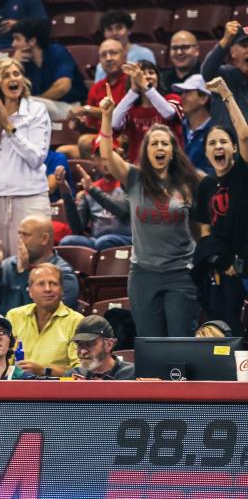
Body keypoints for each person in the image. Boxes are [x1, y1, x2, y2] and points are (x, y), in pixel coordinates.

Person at [99, 81, 201, 338]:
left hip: (180, 271)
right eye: (154, 144)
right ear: (146, 150)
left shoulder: (190, 181)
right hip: (143, 273)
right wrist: (107, 115)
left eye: (164, 144)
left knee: (180, 341)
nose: (159, 148)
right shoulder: (135, 178)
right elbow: (108, 156)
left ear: (173, 151)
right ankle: (154, 381)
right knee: (150, 341)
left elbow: (204, 226)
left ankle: (179, 381)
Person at [0, 57, 51, 275]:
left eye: (17, 74)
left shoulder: (37, 111)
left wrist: (10, 130)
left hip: (30, 198)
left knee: (31, 266)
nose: (13, 79)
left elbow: (36, 158)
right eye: (6, 75)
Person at [193, 77, 248, 334]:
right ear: (205, 153)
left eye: (223, 142)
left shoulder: (241, 174)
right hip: (223, 271)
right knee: (229, 333)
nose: (218, 146)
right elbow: (206, 233)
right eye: (212, 143)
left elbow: (246, 135)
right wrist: (215, 264)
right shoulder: (205, 186)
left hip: (245, 263)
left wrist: (226, 95)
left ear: (234, 149)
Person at [0, 213, 79, 314]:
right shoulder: (7, 266)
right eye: (19, 234)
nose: (20, 240)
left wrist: (23, 273)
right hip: (6, 328)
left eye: (26, 235)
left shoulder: (63, 275)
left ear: (44, 239)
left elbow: (44, 316)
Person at [5, 262, 83, 377]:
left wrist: (44, 371)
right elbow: (3, 361)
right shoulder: (14, 317)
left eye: (53, 283)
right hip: (16, 388)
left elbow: (81, 372)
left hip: (58, 391)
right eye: (41, 284)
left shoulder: (76, 322)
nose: (48, 289)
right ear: (30, 291)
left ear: (62, 290)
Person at [57, 140, 132, 251]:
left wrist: (92, 190)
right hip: (97, 240)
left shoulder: (128, 182)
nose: (105, 161)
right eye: (100, 157)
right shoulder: (90, 189)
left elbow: (122, 211)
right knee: (67, 241)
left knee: (105, 241)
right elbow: (77, 228)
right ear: (94, 161)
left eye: (110, 154)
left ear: (119, 157)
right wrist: (66, 192)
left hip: (126, 239)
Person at [11, 19, 86, 122]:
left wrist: (36, 102)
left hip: (70, 107)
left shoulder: (57, 52)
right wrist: (13, 65)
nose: (13, 44)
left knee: (26, 105)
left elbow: (62, 87)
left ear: (32, 41)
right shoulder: (23, 61)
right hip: (40, 106)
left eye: (17, 39)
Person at [64, 39, 128, 159]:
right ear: (99, 61)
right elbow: (91, 124)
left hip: (125, 136)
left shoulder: (131, 83)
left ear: (124, 57)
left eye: (113, 53)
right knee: (63, 151)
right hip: (101, 135)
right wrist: (79, 123)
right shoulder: (97, 87)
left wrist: (87, 110)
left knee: (84, 142)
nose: (108, 58)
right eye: (104, 55)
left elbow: (123, 118)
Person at [111, 60, 183, 163]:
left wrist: (145, 86)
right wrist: (133, 91)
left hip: (171, 163)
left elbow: (169, 114)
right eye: (142, 74)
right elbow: (114, 123)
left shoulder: (172, 99)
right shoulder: (130, 108)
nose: (147, 76)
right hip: (140, 166)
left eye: (151, 72)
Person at [202, 21, 248, 130]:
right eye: (244, 45)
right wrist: (225, 41)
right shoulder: (224, 76)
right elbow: (207, 71)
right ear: (232, 51)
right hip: (224, 145)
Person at [92, 10, 157, 83]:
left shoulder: (144, 54)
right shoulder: (102, 64)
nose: (114, 33)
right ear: (104, 34)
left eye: (119, 28)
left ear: (129, 30)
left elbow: (152, 84)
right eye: (109, 29)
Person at [66, 315, 135, 380]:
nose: (83, 351)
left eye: (89, 344)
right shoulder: (73, 375)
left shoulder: (132, 374)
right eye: (79, 345)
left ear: (109, 344)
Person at [174, 74, 213, 175]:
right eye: (182, 93)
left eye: (187, 92)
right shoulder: (177, 128)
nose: (182, 97)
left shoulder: (215, 131)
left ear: (204, 98)